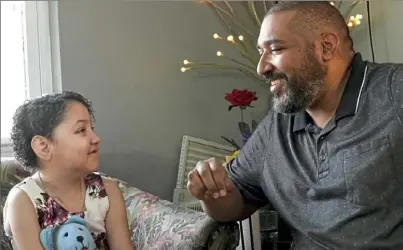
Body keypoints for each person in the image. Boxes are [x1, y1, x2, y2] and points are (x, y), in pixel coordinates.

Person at [187, 2, 403, 249]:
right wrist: (213, 194)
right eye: (261, 52)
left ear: (326, 47)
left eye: (275, 49)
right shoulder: (277, 125)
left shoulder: (394, 91)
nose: (261, 67)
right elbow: (236, 203)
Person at [2, 91, 135, 250]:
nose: (96, 138)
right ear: (43, 147)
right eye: (81, 130)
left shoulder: (107, 190)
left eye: (91, 128)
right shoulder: (23, 200)